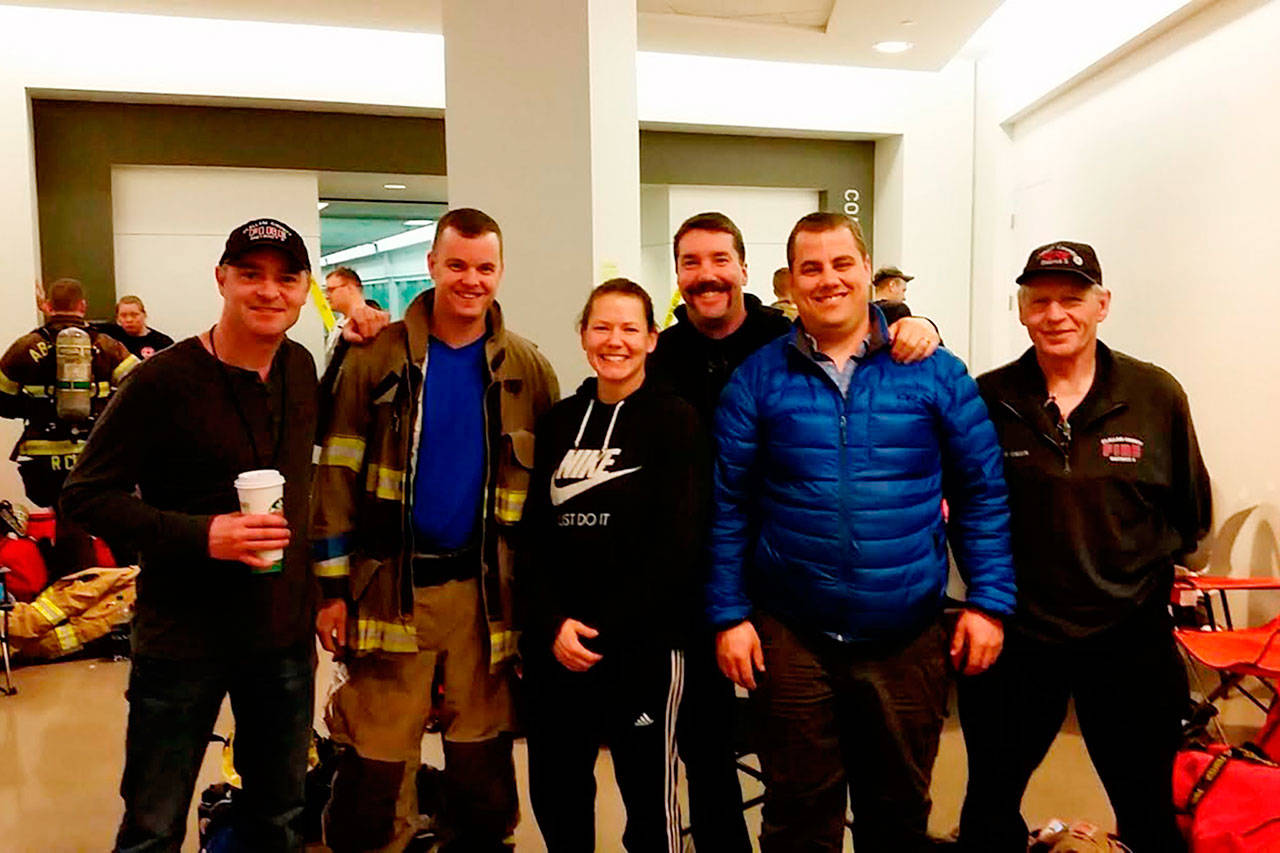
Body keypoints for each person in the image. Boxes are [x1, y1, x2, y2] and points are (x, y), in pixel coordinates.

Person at [708, 211, 1016, 852]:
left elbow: (982, 492)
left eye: (841, 264)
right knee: (796, 818)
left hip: (906, 634)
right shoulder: (759, 378)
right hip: (793, 636)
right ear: (789, 282)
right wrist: (729, 615)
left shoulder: (933, 371)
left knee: (898, 814)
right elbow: (729, 505)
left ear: (867, 271)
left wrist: (989, 602)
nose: (828, 280)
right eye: (810, 268)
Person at [645, 210, 942, 852]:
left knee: (871, 783)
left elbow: (857, 328)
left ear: (745, 270)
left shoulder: (781, 337)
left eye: (719, 259)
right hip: (691, 589)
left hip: (776, 590)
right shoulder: (659, 356)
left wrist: (916, 324)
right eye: (691, 263)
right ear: (677, 275)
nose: (707, 275)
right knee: (717, 754)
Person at [60, 218, 320, 851]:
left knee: (281, 815)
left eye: (286, 278)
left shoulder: (301, 367)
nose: (269, 292)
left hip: (280, 635)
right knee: (153, 821)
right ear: (221, 279)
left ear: (305, 288)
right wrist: (204, 536)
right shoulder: (159, 381)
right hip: (183, 638)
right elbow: (85, 496)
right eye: (251, 275)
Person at [312, 207, 559, 853]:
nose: (470, 280)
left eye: (484, 267)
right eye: (456, 265)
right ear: (432, 266)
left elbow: (549, 507)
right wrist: (331, 588)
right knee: (372, 776)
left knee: (483, 779)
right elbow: (333, 474)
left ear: (500, 271)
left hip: (484, 602)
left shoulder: (527, 369)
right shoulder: (375, 357)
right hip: (389, 592)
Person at [957, 241, 1211, 853]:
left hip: (1128, 641)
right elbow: (963, 509)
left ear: (1102, 305)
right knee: (990, 802)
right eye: (1039, 301)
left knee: (1147, 805)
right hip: (1019, 636)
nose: (1056, 314)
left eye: (1072, 300)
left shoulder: (1156, 395)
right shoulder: (989, 399)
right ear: (1021, 311)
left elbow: (1190, 514)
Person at [522, 278, 707, 852]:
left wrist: (607, 630)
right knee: (557, 794)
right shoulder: (558, 421)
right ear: (582, 336)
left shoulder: (676, 419)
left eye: (630, 328)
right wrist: (552, 622)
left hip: (643, 649)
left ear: (653, 339)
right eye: (602, 327)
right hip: (560, 648)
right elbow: (533, 535)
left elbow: (678, 545)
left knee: (650, 806)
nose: (615, 340)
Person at [0, 277, 139, 578]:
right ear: (82, 306)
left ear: (48, 306)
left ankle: (72, 590)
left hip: (45, 458)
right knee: (114, 517)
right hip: (95, 454)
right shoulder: (106, 345)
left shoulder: (26, 347)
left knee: (66, 520)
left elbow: (2, 400)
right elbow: (138, 389)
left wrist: (37, 407)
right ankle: (128, 584)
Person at [98, 295, 175, 359]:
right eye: (123, 315)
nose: (129, 320)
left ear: (144, 315)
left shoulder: (162, 343)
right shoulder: (110, 335)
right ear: (117, 318)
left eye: (134, 315)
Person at [323, 266, 369, 367]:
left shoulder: (367, 327)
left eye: (331, 290)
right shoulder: (340, 323)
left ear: (350, 289)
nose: (326, 296)